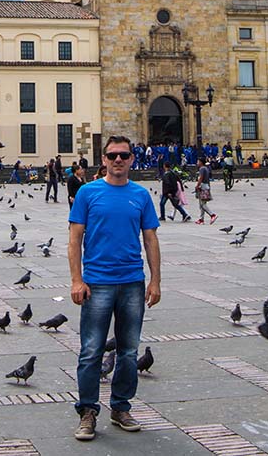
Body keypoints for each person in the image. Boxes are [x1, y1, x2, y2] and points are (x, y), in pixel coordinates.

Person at [68, 135, 161, 441]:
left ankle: (120, 407)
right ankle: (88, 411)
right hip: (97, 283)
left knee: (129, 351)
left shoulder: (141, 195)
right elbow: (74, 239)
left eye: (124, 155)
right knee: (91, 351)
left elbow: (150, 239)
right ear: (104, 159)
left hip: (132, 282)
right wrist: (76, 280)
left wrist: (155, 280)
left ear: (132, 159)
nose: (118, 160)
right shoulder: (87, 193)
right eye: (112, 155)